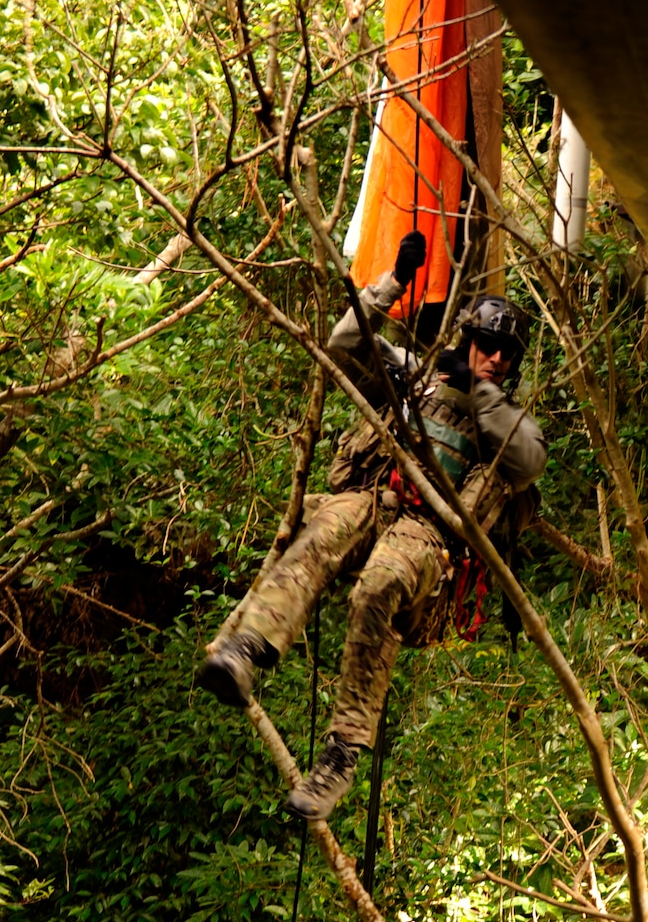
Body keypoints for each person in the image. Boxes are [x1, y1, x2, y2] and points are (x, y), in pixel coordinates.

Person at [197, 231, 548, 821]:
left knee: (380, 585)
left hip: (427, 539)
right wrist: (394, 281)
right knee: (323, 531)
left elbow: (527, 462)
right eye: (486, 344)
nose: (494, 356)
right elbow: (344, 342)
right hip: (374, 500)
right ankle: (247, 651)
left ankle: (340, 756)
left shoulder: (508, 423)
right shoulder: (415, 375)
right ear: (468, 337)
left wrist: (479, 389)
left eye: (504, 354)